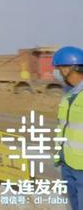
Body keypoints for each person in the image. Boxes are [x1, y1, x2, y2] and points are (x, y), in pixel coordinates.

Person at [53, 46, 83, 209]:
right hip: (68, 163)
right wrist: (59, 154)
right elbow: (64, 127)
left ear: (70, 69)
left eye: (58, 68)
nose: (56, 73)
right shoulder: (69, 94)